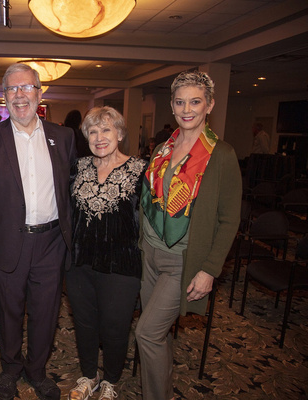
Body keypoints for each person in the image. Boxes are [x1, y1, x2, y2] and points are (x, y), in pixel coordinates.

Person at [135, 70, 242, 400]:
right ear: (172, 105)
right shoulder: (163, 149)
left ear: (209, 105)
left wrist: (210, 268)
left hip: (182, 260)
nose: (187, 109)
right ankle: (162, 390)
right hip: (149, 255)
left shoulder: (221, 154)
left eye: (195, 102)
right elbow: (149, 200)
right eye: (180, 102)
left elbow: (229, 219)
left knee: (147, 333)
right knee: (161, 333)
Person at [0, 63, 76, 400]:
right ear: (4, 97)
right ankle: (10, 368)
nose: (20, 95)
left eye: (27, 88)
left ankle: (37, 371)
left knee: (46, 312)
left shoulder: (63, 137)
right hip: (7, 243)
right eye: (12, 89)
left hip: (51, 243)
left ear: (39, 93)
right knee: (9, 311)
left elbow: (71, 191)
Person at [67, 107, 147, 400]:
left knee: (115, 327)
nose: (99, 138)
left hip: (122, 265)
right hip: (80, 262)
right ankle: (89, 375)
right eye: (93, 131)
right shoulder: (77, 167)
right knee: (85, 324)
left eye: (107, 130)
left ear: (121, 134)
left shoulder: (141, 171)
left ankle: (111, 380)